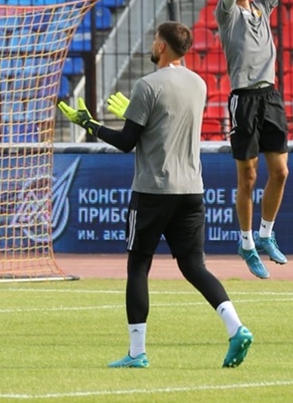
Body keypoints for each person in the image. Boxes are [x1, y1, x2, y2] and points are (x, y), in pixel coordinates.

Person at [58, 21, 253, 369]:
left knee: (138, 266)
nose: (152, 43)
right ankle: (236, 327)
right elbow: (166, 126)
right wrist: (133, 114)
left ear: (162, 46)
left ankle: (137, 353)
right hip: (191, 189)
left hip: (153, 190)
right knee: (194, 266)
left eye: (154, 39)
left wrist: (89, 124)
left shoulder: (147, 85)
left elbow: (126, 142)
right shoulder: (199, 84)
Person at [212, 0, 292, 279]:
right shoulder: (227, 13)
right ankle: (245, 243)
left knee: (280, 171)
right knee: (247, 176)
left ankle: (265, 235)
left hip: (270, 96)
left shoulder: (261, 6)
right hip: (243, 99)